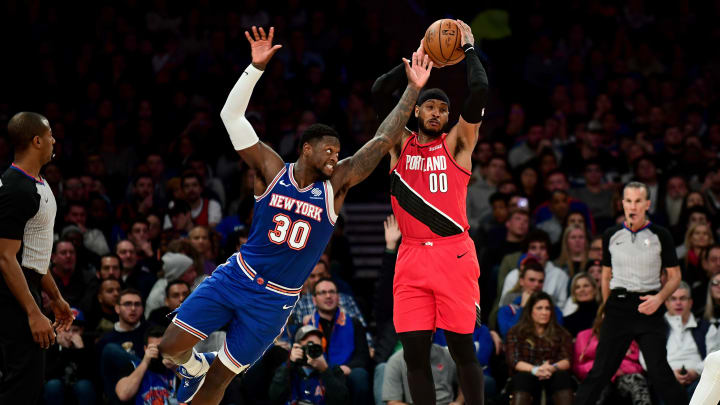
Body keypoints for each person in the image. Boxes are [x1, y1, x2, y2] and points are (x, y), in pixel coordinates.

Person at [158, 25, 432, 405]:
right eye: (329, 150)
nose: (336, 157)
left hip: (275, 302)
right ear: (306, 149)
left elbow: (382, 140)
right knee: (169, 348)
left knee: (220, 381)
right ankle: (192, 366)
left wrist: (413, 90)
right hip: (236, 277)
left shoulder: (334, 187)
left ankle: (203, 373)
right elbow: (230, 117)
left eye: (339, 152)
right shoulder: (271, 170)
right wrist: (254, 68)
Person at [372, 19, 488, 405]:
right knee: (414, 357)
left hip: (452, 253)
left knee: (462, 350)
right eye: (430, 107)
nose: (437, 113)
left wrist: (468, 48)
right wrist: (418, 67)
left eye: (443, 108)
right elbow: (377, 92)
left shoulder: (457, 145)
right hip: (410, 257)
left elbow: (479, 90)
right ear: (417, 112)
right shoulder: (397, 144)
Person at [573, 181, 688, 405]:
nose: (632, 206)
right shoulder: (611, 235)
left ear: (647, 204)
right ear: (622, 203)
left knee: (659, 371)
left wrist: (659, 299)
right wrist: (607, 307)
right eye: (628, 201)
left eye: (637, 201)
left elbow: (675, 276)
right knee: (600, 372)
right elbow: (606, 276)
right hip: (619, 306)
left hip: (649, 304)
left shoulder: (660, 235)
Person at [0, 112, 74, 404]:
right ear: (37, 140)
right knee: (23, 383)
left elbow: (33, 256)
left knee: (28, 381)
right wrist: (33, 312)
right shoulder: (17, 188)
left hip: (23, 283)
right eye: (51, 134)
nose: (54, 140)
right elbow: (5, 258)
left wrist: (55, 298)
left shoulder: (38, 183)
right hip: (10, 291)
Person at [303, 278, 372, 405]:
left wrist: (347, 368)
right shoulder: (306, 326)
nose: (328, 296)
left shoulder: (354, 323)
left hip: (346, 370)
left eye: (332, 292)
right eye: (322, 292)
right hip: (316, 370)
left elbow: (363, 356)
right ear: (314, 300)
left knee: (360, 375)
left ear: (338, 297)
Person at [574, 304, 651, 405]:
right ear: (601, 315)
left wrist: (613, 368)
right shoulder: (584, 336)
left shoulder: (629, 335)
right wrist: (606, 369)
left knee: (637, 379)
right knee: (598, 383)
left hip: (622, 378)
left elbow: (638, 365)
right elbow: (578, 367)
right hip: (597, 377)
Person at [505, 292, 574, 405]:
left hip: (552, 373)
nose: (544, 312)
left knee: (562, 376)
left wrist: (552, 368)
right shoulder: (516, 332)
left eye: (547, 308)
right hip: (526, 374)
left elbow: (567, 360)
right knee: (522, 378)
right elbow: (514, 360)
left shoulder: (562, 333)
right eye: (539, 308)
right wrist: (535, 370)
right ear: (531, 310)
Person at [268, 325, 349, 405]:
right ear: (297, 347)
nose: (311, 349)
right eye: (308, 344)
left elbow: (342, 399)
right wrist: (290, 363)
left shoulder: (333, 369)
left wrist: (325, 370)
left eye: (316, 345)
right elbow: (274, 397)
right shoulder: (287, 368)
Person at [115, 325, 181, 404]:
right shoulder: (133, 367)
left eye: (161, 347)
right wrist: (145, 361)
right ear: (145, 349)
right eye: (153, 348)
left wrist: (175, 368)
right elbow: (123, 395)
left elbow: (195, 395)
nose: (157, 351)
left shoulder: (175, 370)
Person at [43, 308, 96, 405]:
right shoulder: (51, 346)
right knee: (53, 385)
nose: (71, 335)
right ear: (59, 331)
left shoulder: (88, 346)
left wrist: (81, 350)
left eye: (75, 330)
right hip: (58, 389)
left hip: (80, 389)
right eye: (66, 330)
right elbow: (49, 375)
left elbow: (91, 376)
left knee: (84, 386)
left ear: (82, 331)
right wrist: (64, 350)